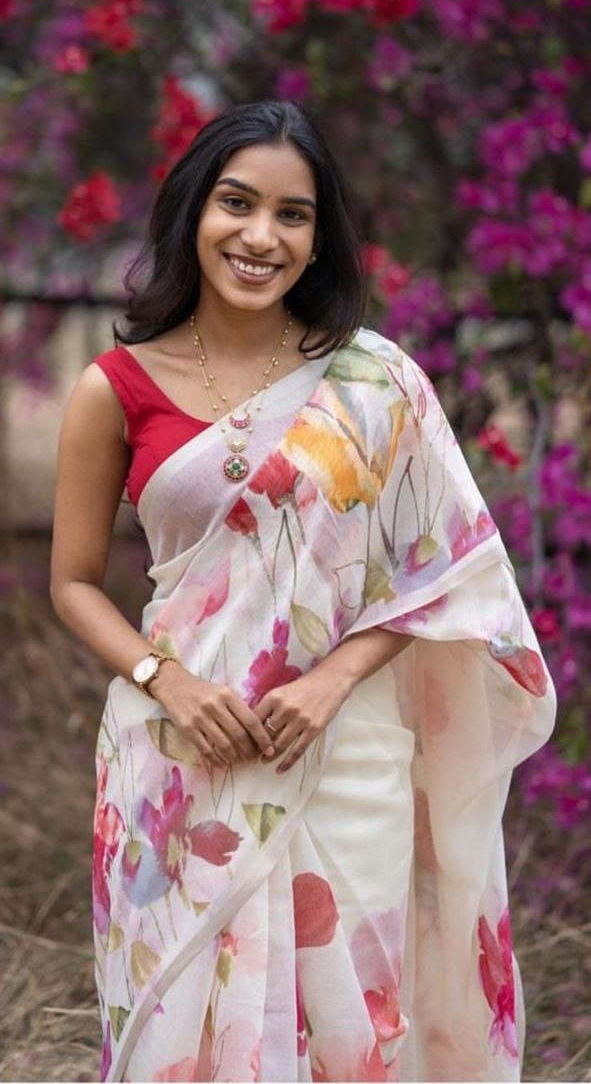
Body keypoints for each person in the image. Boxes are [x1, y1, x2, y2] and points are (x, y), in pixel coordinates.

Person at [50, 99, 556, 1084]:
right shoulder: (116, 388)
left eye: (293, 214)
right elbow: (73, 583)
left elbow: (446, 565)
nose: (261, 236)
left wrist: (332, 679)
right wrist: (167, 680)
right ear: (194, 211)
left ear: (319, 239)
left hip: (345, 753)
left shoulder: (374, 383)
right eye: (237, 203)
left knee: (355, 1039)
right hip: (178, 759)